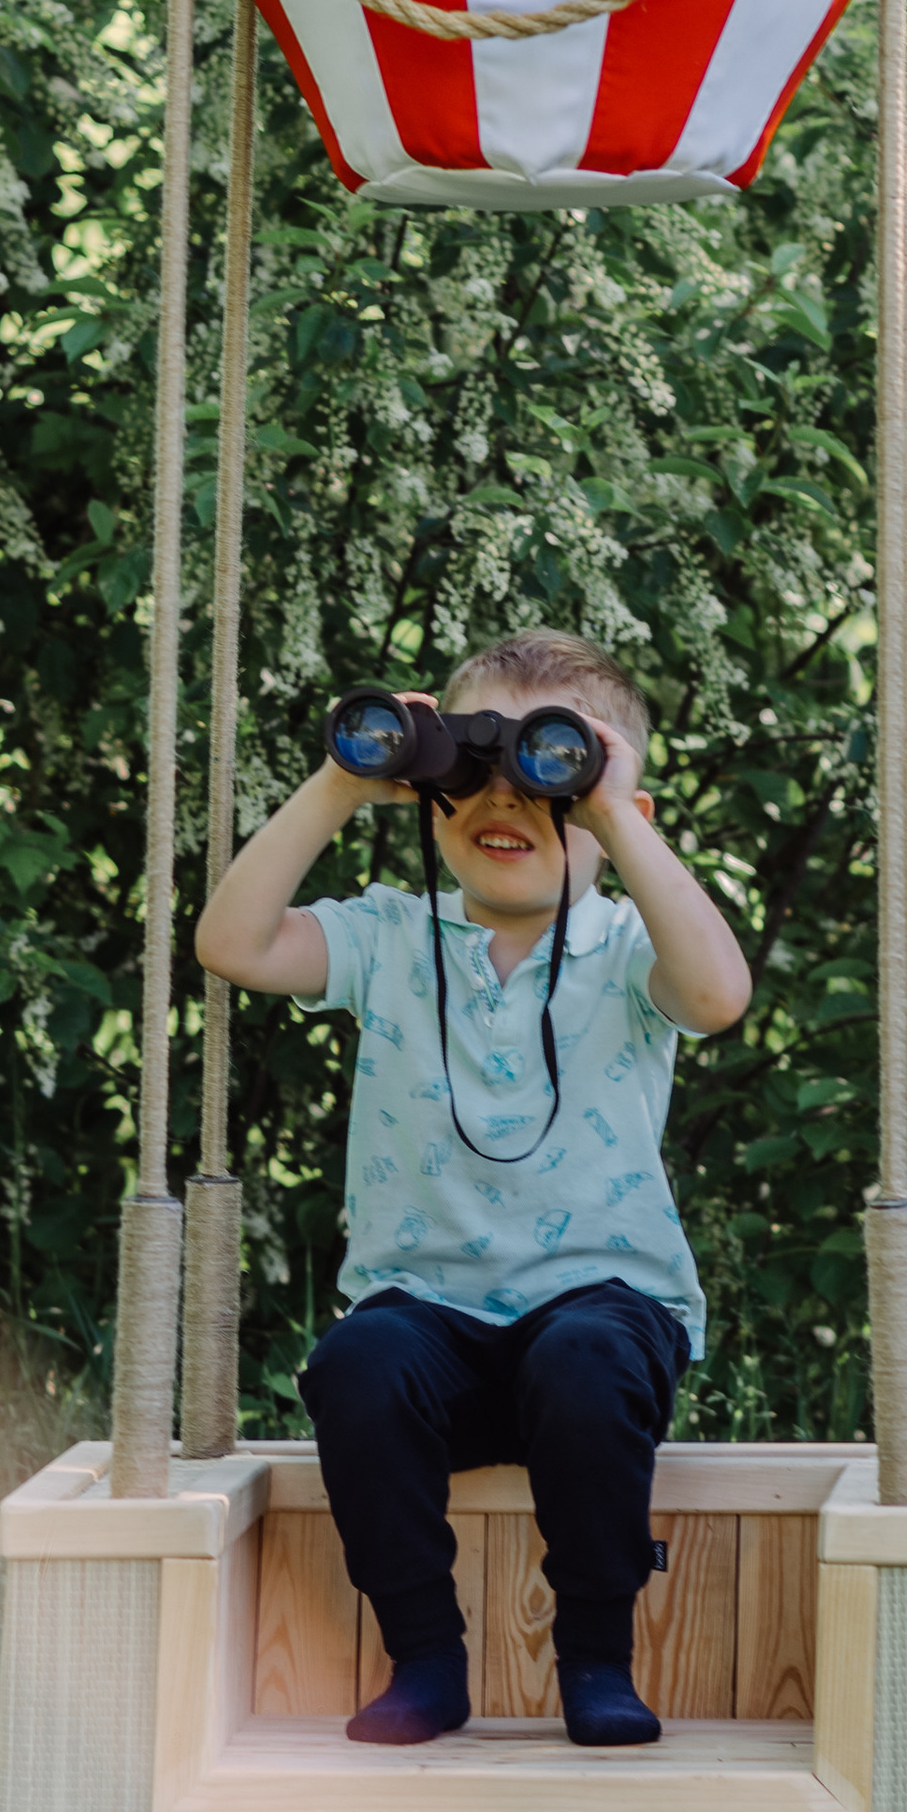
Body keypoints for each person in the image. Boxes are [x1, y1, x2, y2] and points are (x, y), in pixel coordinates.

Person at [194, 628, 751, 1749]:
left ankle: (596, 1657)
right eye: (467, 767)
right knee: (354, 1362)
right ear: (427, 787)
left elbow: (718, 993)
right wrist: (340, 784)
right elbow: (233, 943)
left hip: (601, 1316)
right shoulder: (392, 940)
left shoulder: (629, 947)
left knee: (584, 1357)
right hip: (429, 1324)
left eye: (546, 772)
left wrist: (614, 820)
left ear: (602, 801)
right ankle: (423, 1658)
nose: (502, 800)